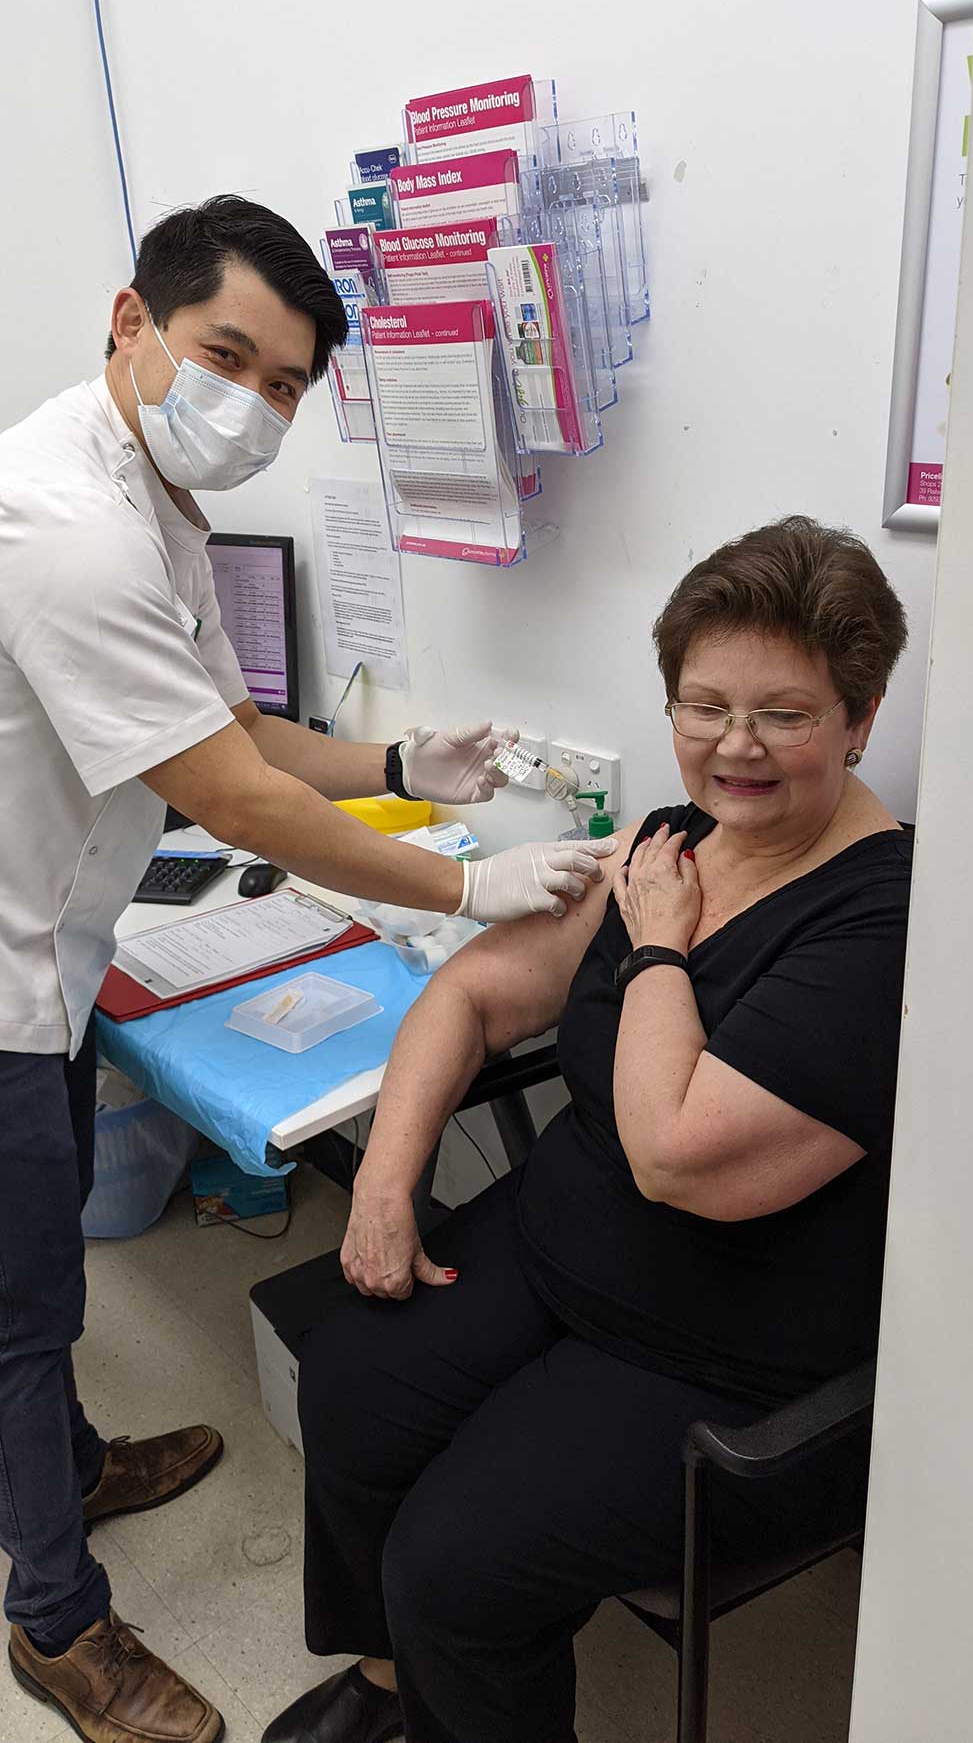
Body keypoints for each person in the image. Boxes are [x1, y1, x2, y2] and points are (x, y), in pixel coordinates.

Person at [0, 195, 614, 1743]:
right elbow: (230, 796)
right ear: (131, 323)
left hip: (54, 949)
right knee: (18, 1303)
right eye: (228, 357)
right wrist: (464, 881)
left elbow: (241, 728)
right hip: (4, 969)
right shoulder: (62, 519)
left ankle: (69, 1464)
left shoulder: (159, 502)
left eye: (283, 385)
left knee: (43, 1266)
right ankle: (57, 1623)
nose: (253, 405)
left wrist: (402, 762)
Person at [263, 515, 913, 1743]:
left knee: (455, 1565)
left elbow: (672, 1152)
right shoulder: (672, 842)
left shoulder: (884, 926)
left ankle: (439, 1654)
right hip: (559, 1240)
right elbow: (470, 994)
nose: (734, 745)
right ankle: (396, 1681)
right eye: (703, 705)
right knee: (352, 1382)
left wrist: (658, 943)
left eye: (782, 712)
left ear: (860, 716)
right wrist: (387, 1187)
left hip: (718, 1347)